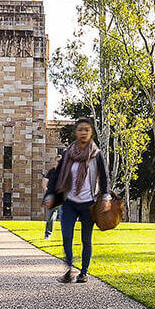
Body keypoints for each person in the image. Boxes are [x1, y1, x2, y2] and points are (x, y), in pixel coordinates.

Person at [47, 117, 111, 284]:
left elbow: (104, 178)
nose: (83, 133)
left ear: (91, 133)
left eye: (86, 130)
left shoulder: (96, 155)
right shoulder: (68, 154)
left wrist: (105, 197)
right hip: (69, 202)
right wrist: (50, 195)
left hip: (88, 203)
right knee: (66, 236)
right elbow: (56, 175)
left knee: (85, 239)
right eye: (80, 129)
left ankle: (84, 272)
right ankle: (69, 269)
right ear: (76, 132)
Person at [43, 163, 60, 240]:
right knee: (50, 217)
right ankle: (47, 234)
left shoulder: (64, 171)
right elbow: (45, 180)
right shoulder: (51, 171)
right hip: (52, 196)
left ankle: (66, 236)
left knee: (65, 217)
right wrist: (46, 189)